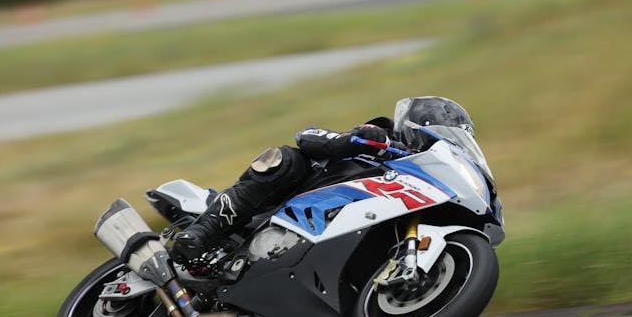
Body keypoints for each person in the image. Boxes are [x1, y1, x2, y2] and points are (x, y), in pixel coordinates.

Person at [170, 96, 474, 264]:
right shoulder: (378, 139)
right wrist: (354, 140)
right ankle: (202, 231)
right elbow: (308, 136)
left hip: (339, 230)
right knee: (286, 159)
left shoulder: (418, 178)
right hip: (290, 205)